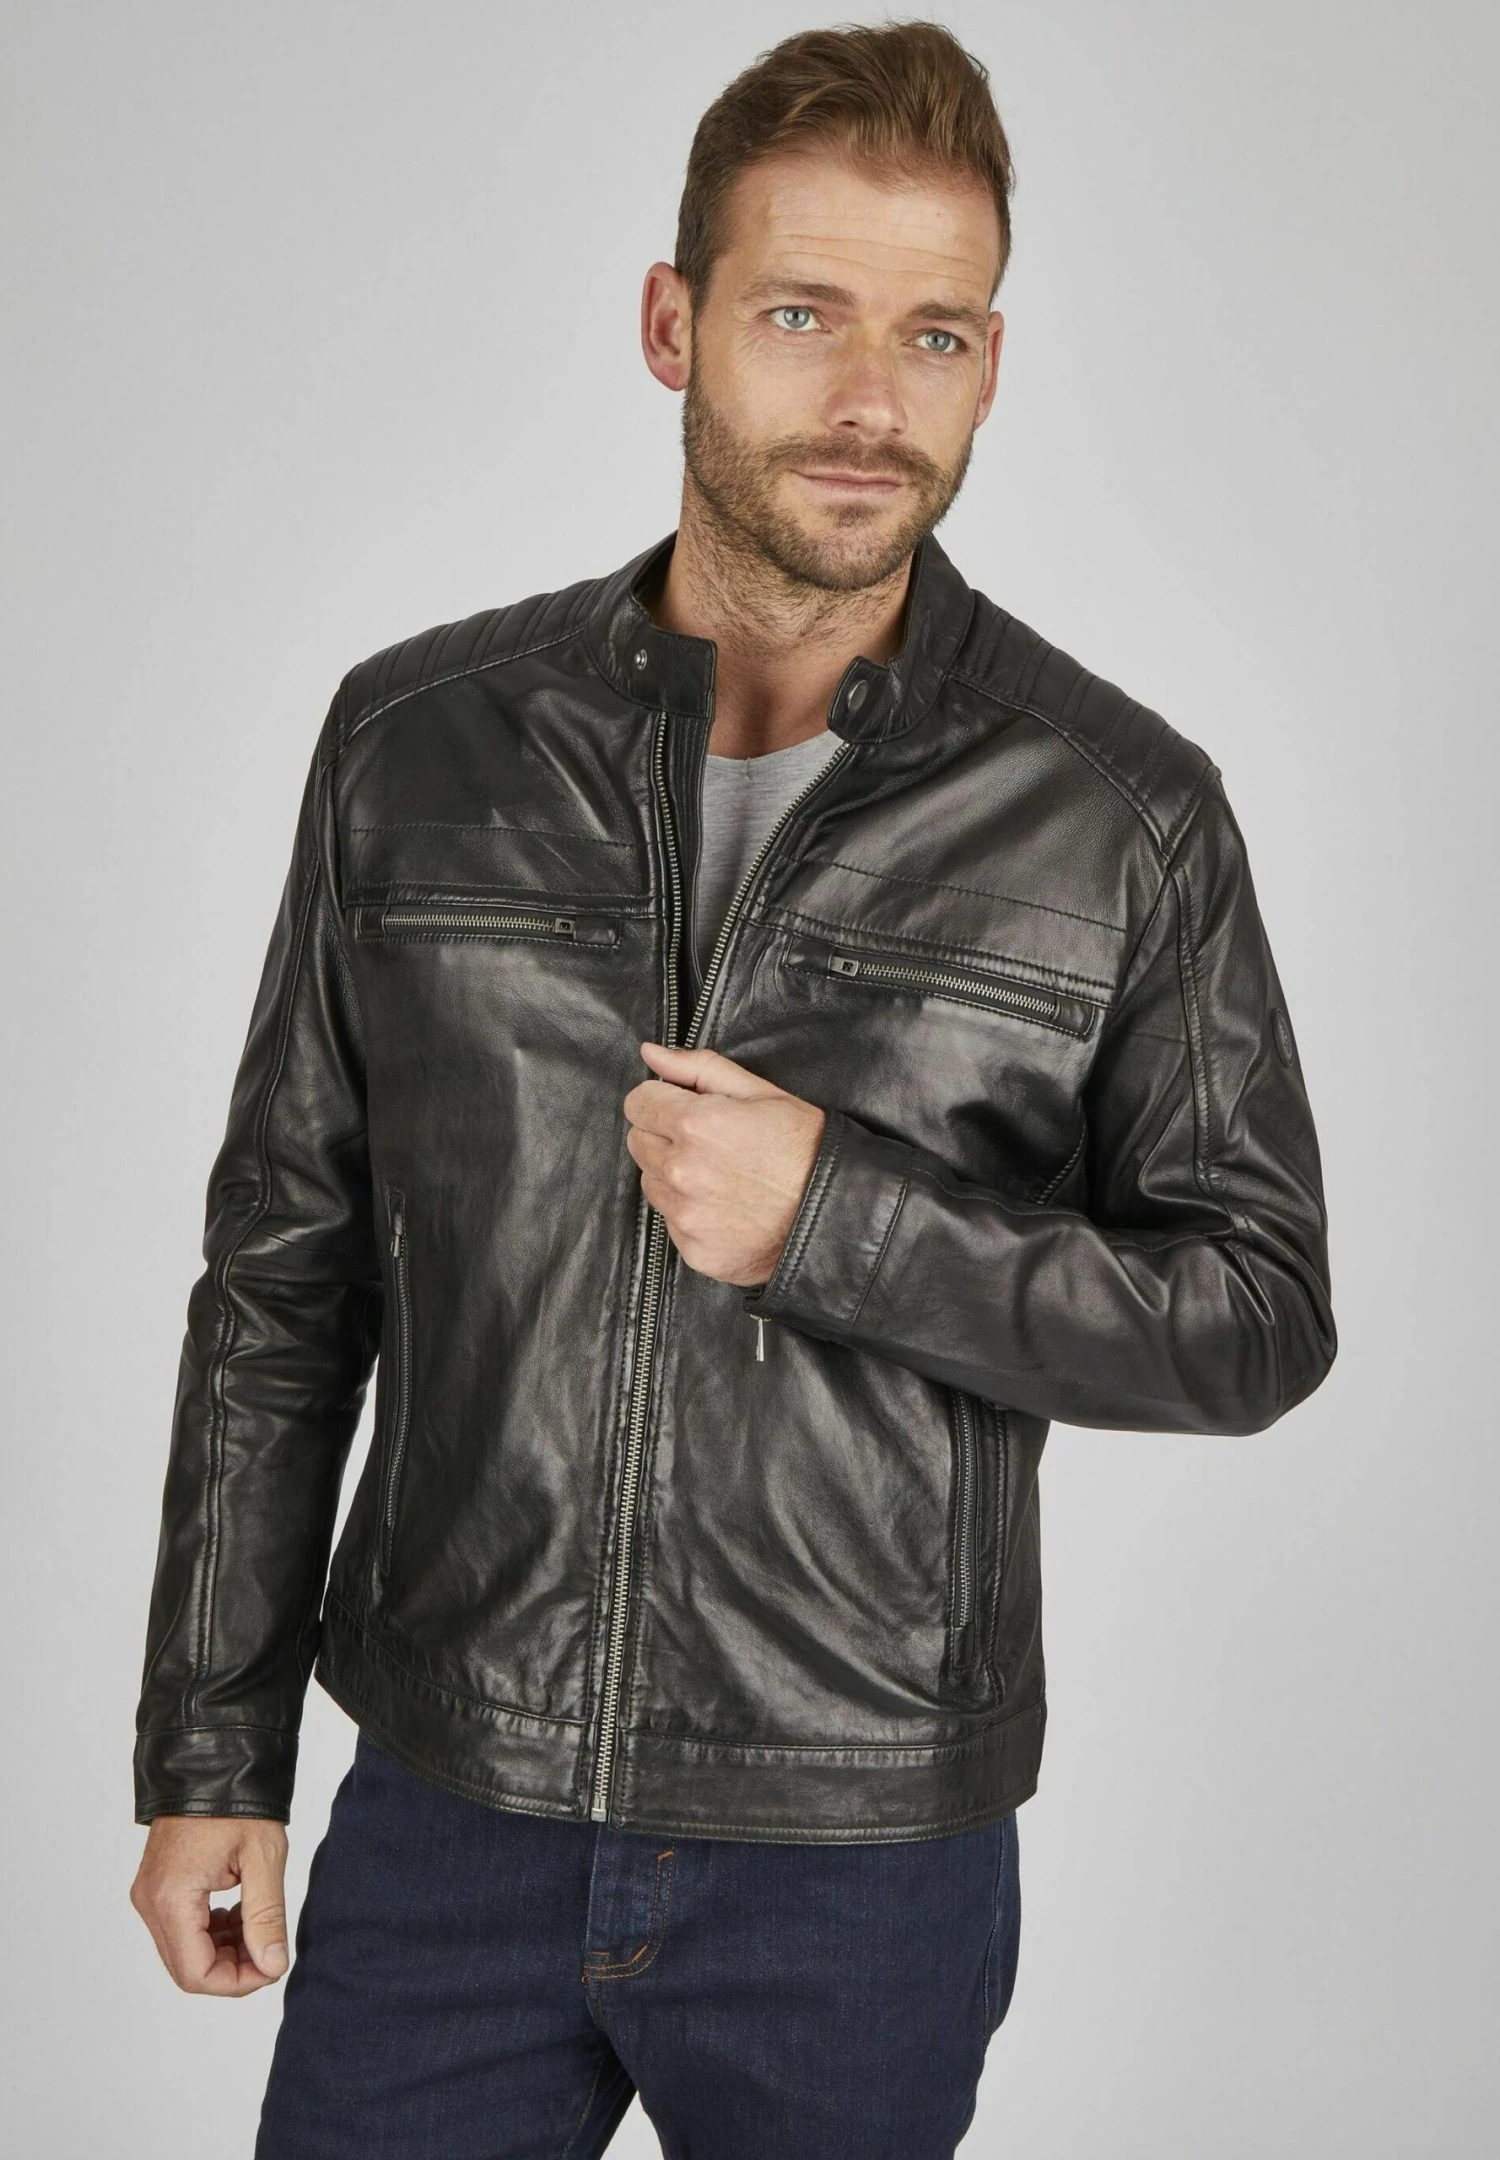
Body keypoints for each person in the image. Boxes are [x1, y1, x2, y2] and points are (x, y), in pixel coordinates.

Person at [128, 19, 1337, 2158]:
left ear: (991, 364)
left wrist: (841, 1224)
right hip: (450, 1798)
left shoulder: (1118, 814)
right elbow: (283, 1277)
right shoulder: (419, 744)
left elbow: (1255, 1312)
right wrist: (210, 1752)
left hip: (858, 1852)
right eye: (802, 315)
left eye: (935, 333)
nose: (872, 397)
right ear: (673, 326)